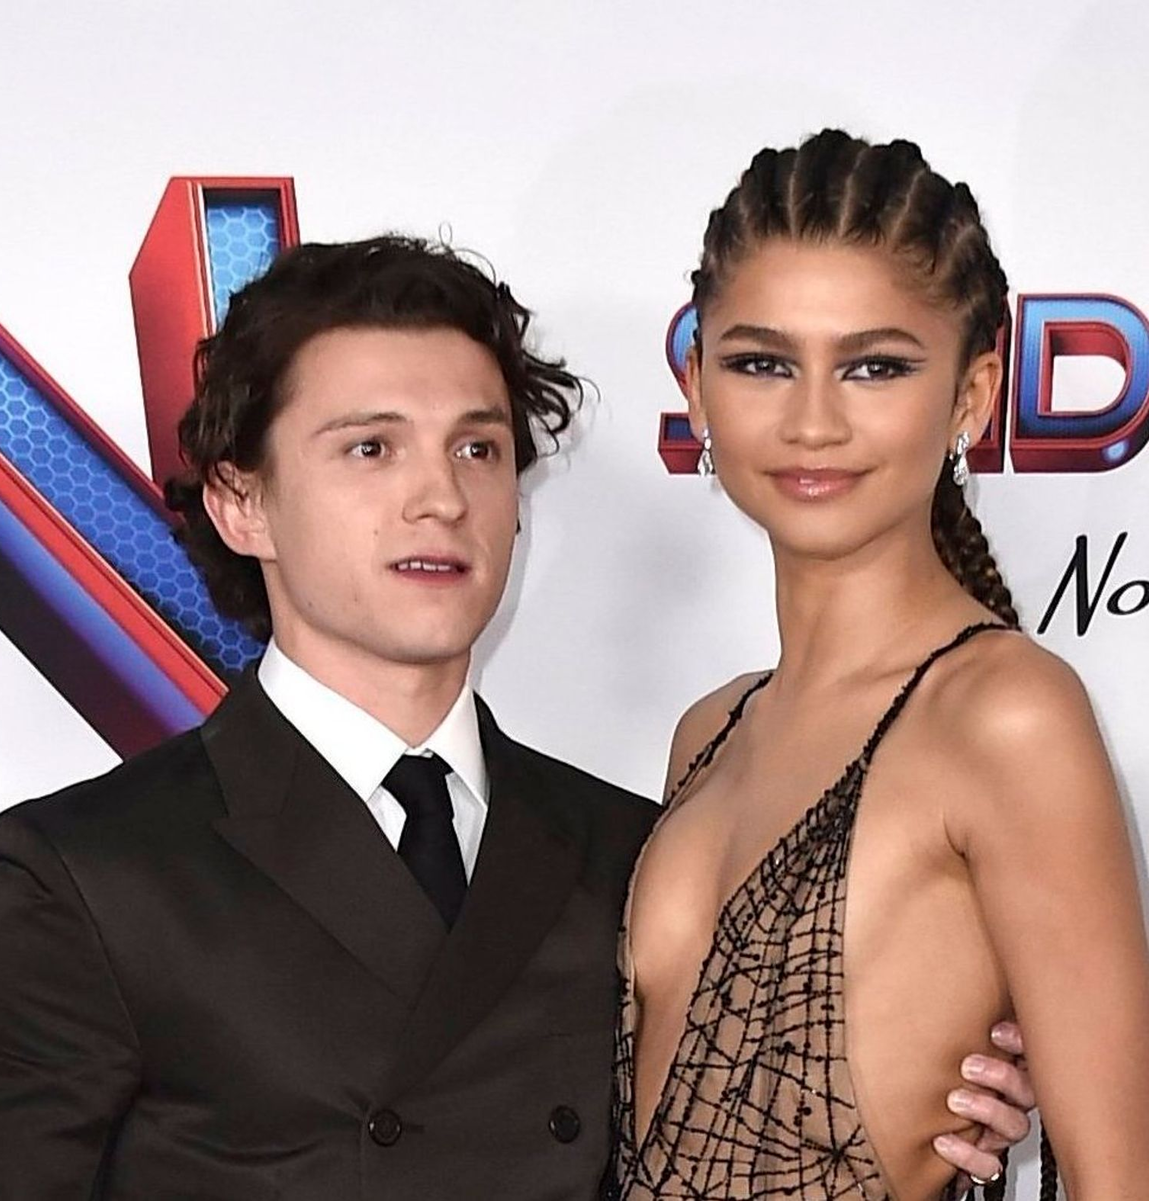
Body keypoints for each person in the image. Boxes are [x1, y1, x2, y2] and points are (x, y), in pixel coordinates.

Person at [0, 235, 1035, 1200]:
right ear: (242, 503)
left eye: (478, 449)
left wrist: (929, 1094)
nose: (439, 498)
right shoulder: (85, 874)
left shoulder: (635, 852)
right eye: (370, 449)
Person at [613, 131, 1149, 1200]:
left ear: (972, 394)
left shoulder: (1006, 713)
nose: (813, 420)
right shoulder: (712, 727)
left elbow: (1126, 1185)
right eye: (761, 362)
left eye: (875, 365)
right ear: (696, 383)